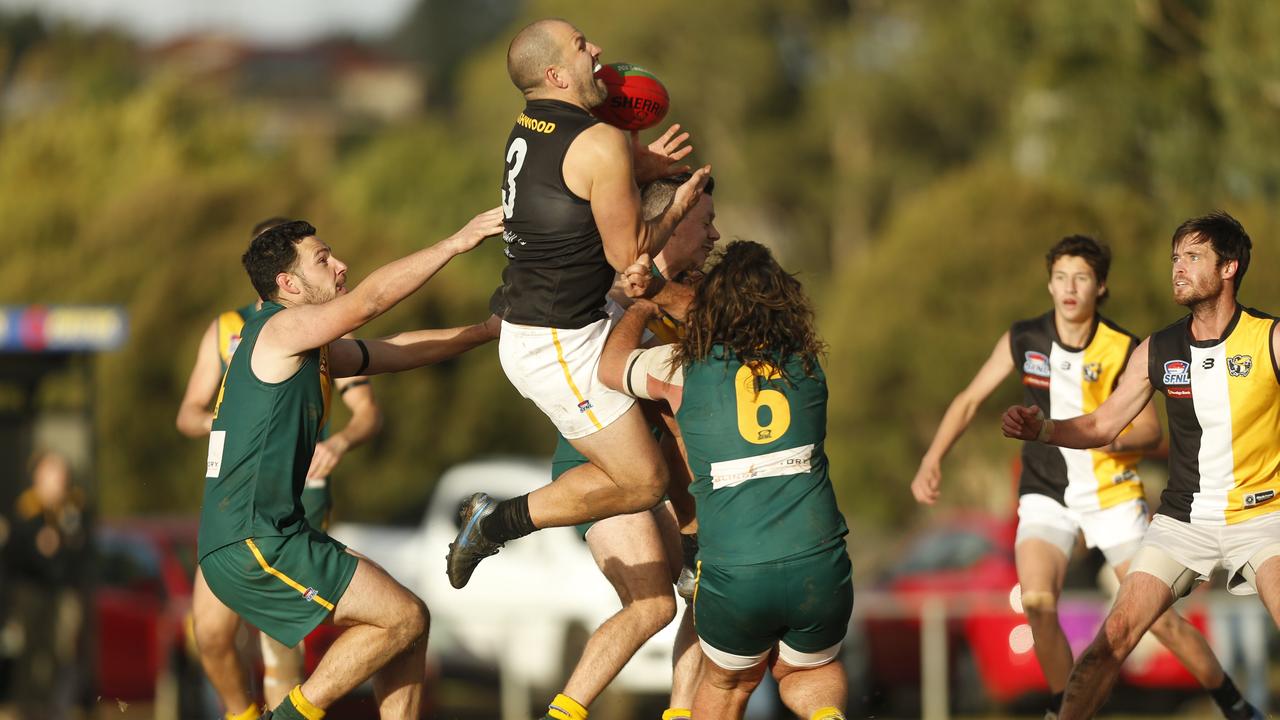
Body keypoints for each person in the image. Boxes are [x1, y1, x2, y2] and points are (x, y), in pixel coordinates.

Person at [913, 235, 1257, 719]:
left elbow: (1148, 431)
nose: (1069, 288)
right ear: (1049, 285)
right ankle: (1064, 710)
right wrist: (932, 459)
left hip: (1111, 495)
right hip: (1046, 492)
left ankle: (1234, 703)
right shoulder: (1024, 338)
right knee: (1036, 601)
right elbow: (969, 399)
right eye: (1060, 278)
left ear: (1100, 287)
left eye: (1081, 278)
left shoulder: (1124, 346)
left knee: (1160, 623)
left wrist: (1101, 435)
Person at [198, 210, 502, 720]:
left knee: (409, 624)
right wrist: (455, 242)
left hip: (268, 533)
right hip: (254, 538)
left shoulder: (304, 343)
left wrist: (485, 331)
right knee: (400, 619)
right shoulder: (280, 328)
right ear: (288, 283)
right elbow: (370, 302)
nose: (340, 265)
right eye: (323, 260)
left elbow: (396, 350)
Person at [446, 18, 712, 590]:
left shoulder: (531, 125)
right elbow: (632, 259)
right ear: (555, 73)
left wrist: (642, 166)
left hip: (566, 323)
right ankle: (496, 522)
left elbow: (572, 177)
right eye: (581, 46)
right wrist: (679, 202)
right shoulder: (599, 141)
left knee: (684, 380)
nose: (598, 51)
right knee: (643, 482)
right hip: (560, 344)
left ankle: (695, 547)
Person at [1002, 212, 1275, 720]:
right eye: (1175, 257)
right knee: (1113, 638)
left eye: (1193, 257)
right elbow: (1104, 425)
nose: (1178, 267)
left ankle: (1239, 707)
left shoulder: (1269, 339)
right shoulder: (1159, 347)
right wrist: (1043, 430)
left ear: (1230, 267)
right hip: (1182, 522)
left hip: (1262, 518)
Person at [599, 240, 852, 720]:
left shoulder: (682, 368)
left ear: (711, 307)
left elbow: (611, 368)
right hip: (818, 561)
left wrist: (643, 307)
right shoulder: (807, 366)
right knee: (809, 672)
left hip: (736, 568)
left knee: (728, 683)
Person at [176, 219, 385, 719]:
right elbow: (187, 413)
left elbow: (368, 410)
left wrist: (340, 442)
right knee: (210, 631)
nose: (332, 267)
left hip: (300, 491)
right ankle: (243, 714)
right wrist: (236, 425)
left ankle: (284, 708)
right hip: (240, 494)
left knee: (279, 638)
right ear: (280, 278)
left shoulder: (325, 327)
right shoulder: (231, 329)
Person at [539, 173, 718, 720]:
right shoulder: (613, 296)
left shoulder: (698, 299)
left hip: (668, 476)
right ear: (674, 220)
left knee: (707, 594)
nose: (715, 234)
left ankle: (682, 714)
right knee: (652, 604)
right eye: (705, 221)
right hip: (605, 468)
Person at [5, 451, 88, 720]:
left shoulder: (72, 508)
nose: (59, 479)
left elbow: (81, 547)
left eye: (61, 473)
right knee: (32, 657)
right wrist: (38, 544)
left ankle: (57, 710)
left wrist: (60, 542)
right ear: (38, 476)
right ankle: (30, 710)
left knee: (63, 655)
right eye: (52, 472)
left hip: (62, 592)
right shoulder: (26, 508)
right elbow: (15, 552)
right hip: (32, 592)